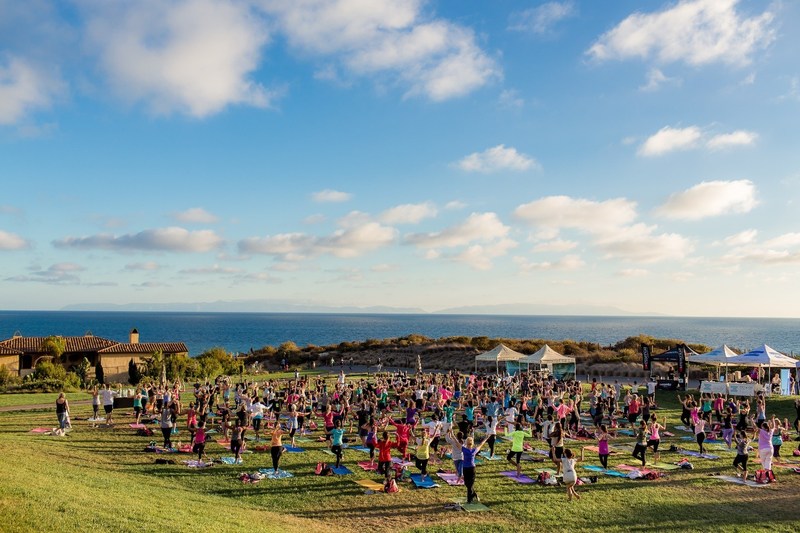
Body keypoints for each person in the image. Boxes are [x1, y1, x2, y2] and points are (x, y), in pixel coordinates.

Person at [455, 433, 490, 504]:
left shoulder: (465, 449)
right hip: (470, 468)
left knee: (469, 485)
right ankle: (473, 494)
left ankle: (469, 499)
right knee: (468, 484)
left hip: (468, 468)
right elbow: (481, 444)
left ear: (467, 443)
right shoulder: (473, 450)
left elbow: (456, 442)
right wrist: (486, 438)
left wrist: (452, 434)